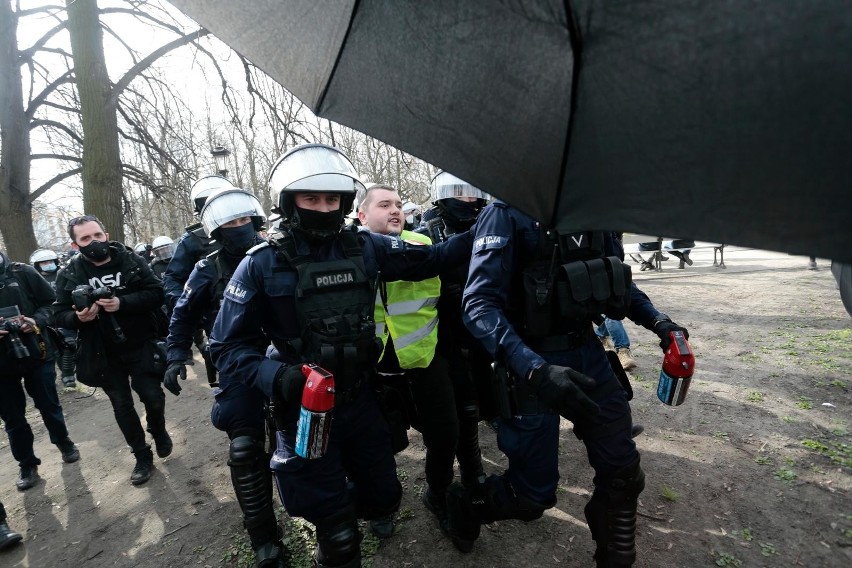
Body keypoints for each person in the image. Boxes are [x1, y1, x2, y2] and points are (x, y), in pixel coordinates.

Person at [209, 143, 472, 568]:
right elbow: (225, 346)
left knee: (384, 496)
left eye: (332, 199)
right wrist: (278, 377)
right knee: (338, 530)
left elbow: (432, 259)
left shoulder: (366, 247)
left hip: (363, 399)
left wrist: (493, 223)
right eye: (311, 199)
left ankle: (359, 509)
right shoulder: (261, 263)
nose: (323, 207)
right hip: (306, 411)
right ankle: (333, 531)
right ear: (289, 203)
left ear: (345, 202)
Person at [447, 201, 690, 567]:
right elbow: (478, 304)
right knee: (531, 497)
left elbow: (619, 282)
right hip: (526, 362)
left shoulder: (595, 213)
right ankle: (466, 505)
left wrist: (660, 323)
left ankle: (614, 555)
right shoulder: (506, 213)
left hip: (587, 353)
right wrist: (535, 370)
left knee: (623, 472)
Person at [164, 189, 283, 566]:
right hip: (236, 364)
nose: (238, 228)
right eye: (229, 223)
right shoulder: (206, 269)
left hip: (286, 357)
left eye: (244, 220)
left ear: (256, 221)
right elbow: (183, 314)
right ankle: (264, 536)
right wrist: (175, 354)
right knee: (246, 447)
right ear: (215, 230)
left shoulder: (277, 254)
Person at [357, 183, 458, 537]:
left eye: (398, 204)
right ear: (362, 215)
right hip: (374, 372)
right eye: (384, 205)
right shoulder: (350, 253)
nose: (396, 210)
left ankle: (439, 493)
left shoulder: (423, 246)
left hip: (425, 363)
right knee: (375, 448)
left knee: (445, 438)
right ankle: (380, 507)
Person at [53, 215, 170, 486]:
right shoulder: (69, 273)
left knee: (153, 396)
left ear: (105, 234)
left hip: (140, 342)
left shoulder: (130, 260)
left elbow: (157, 293)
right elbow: (57, 314)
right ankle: (142, 456)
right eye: (85, 239)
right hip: (101, 351)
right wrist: (78, 318)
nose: (94, 242)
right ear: (75, 244)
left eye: (97, 235)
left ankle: (158, 428)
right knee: (121, 405)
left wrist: (123, 303)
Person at [418, 171, 493, 548]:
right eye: (462, 193)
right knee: (449, 422)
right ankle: (443, 489)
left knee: (478, 410)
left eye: (476, 193)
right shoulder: (425, 232)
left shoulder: (492, 224)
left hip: (479, 337)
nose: (473, 200)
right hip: (437, 345)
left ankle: (476, 474)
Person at [1, 249, 80, 492]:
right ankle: (27, 464)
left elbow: (51, 303)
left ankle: (64, 443)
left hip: (38, 351)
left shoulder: (22, 272)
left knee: (48, 404)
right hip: (1, 366)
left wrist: (36, 321)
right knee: (13, 418)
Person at [30, 249, 77, 388]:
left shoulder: (63, 274)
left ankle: (68, 375)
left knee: (69, 343)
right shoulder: (34, 279)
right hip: (47, 318)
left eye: (50, 261)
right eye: (44, 262)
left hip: (63, 314)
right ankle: (63, 374)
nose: (48, 264)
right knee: (56, 349)